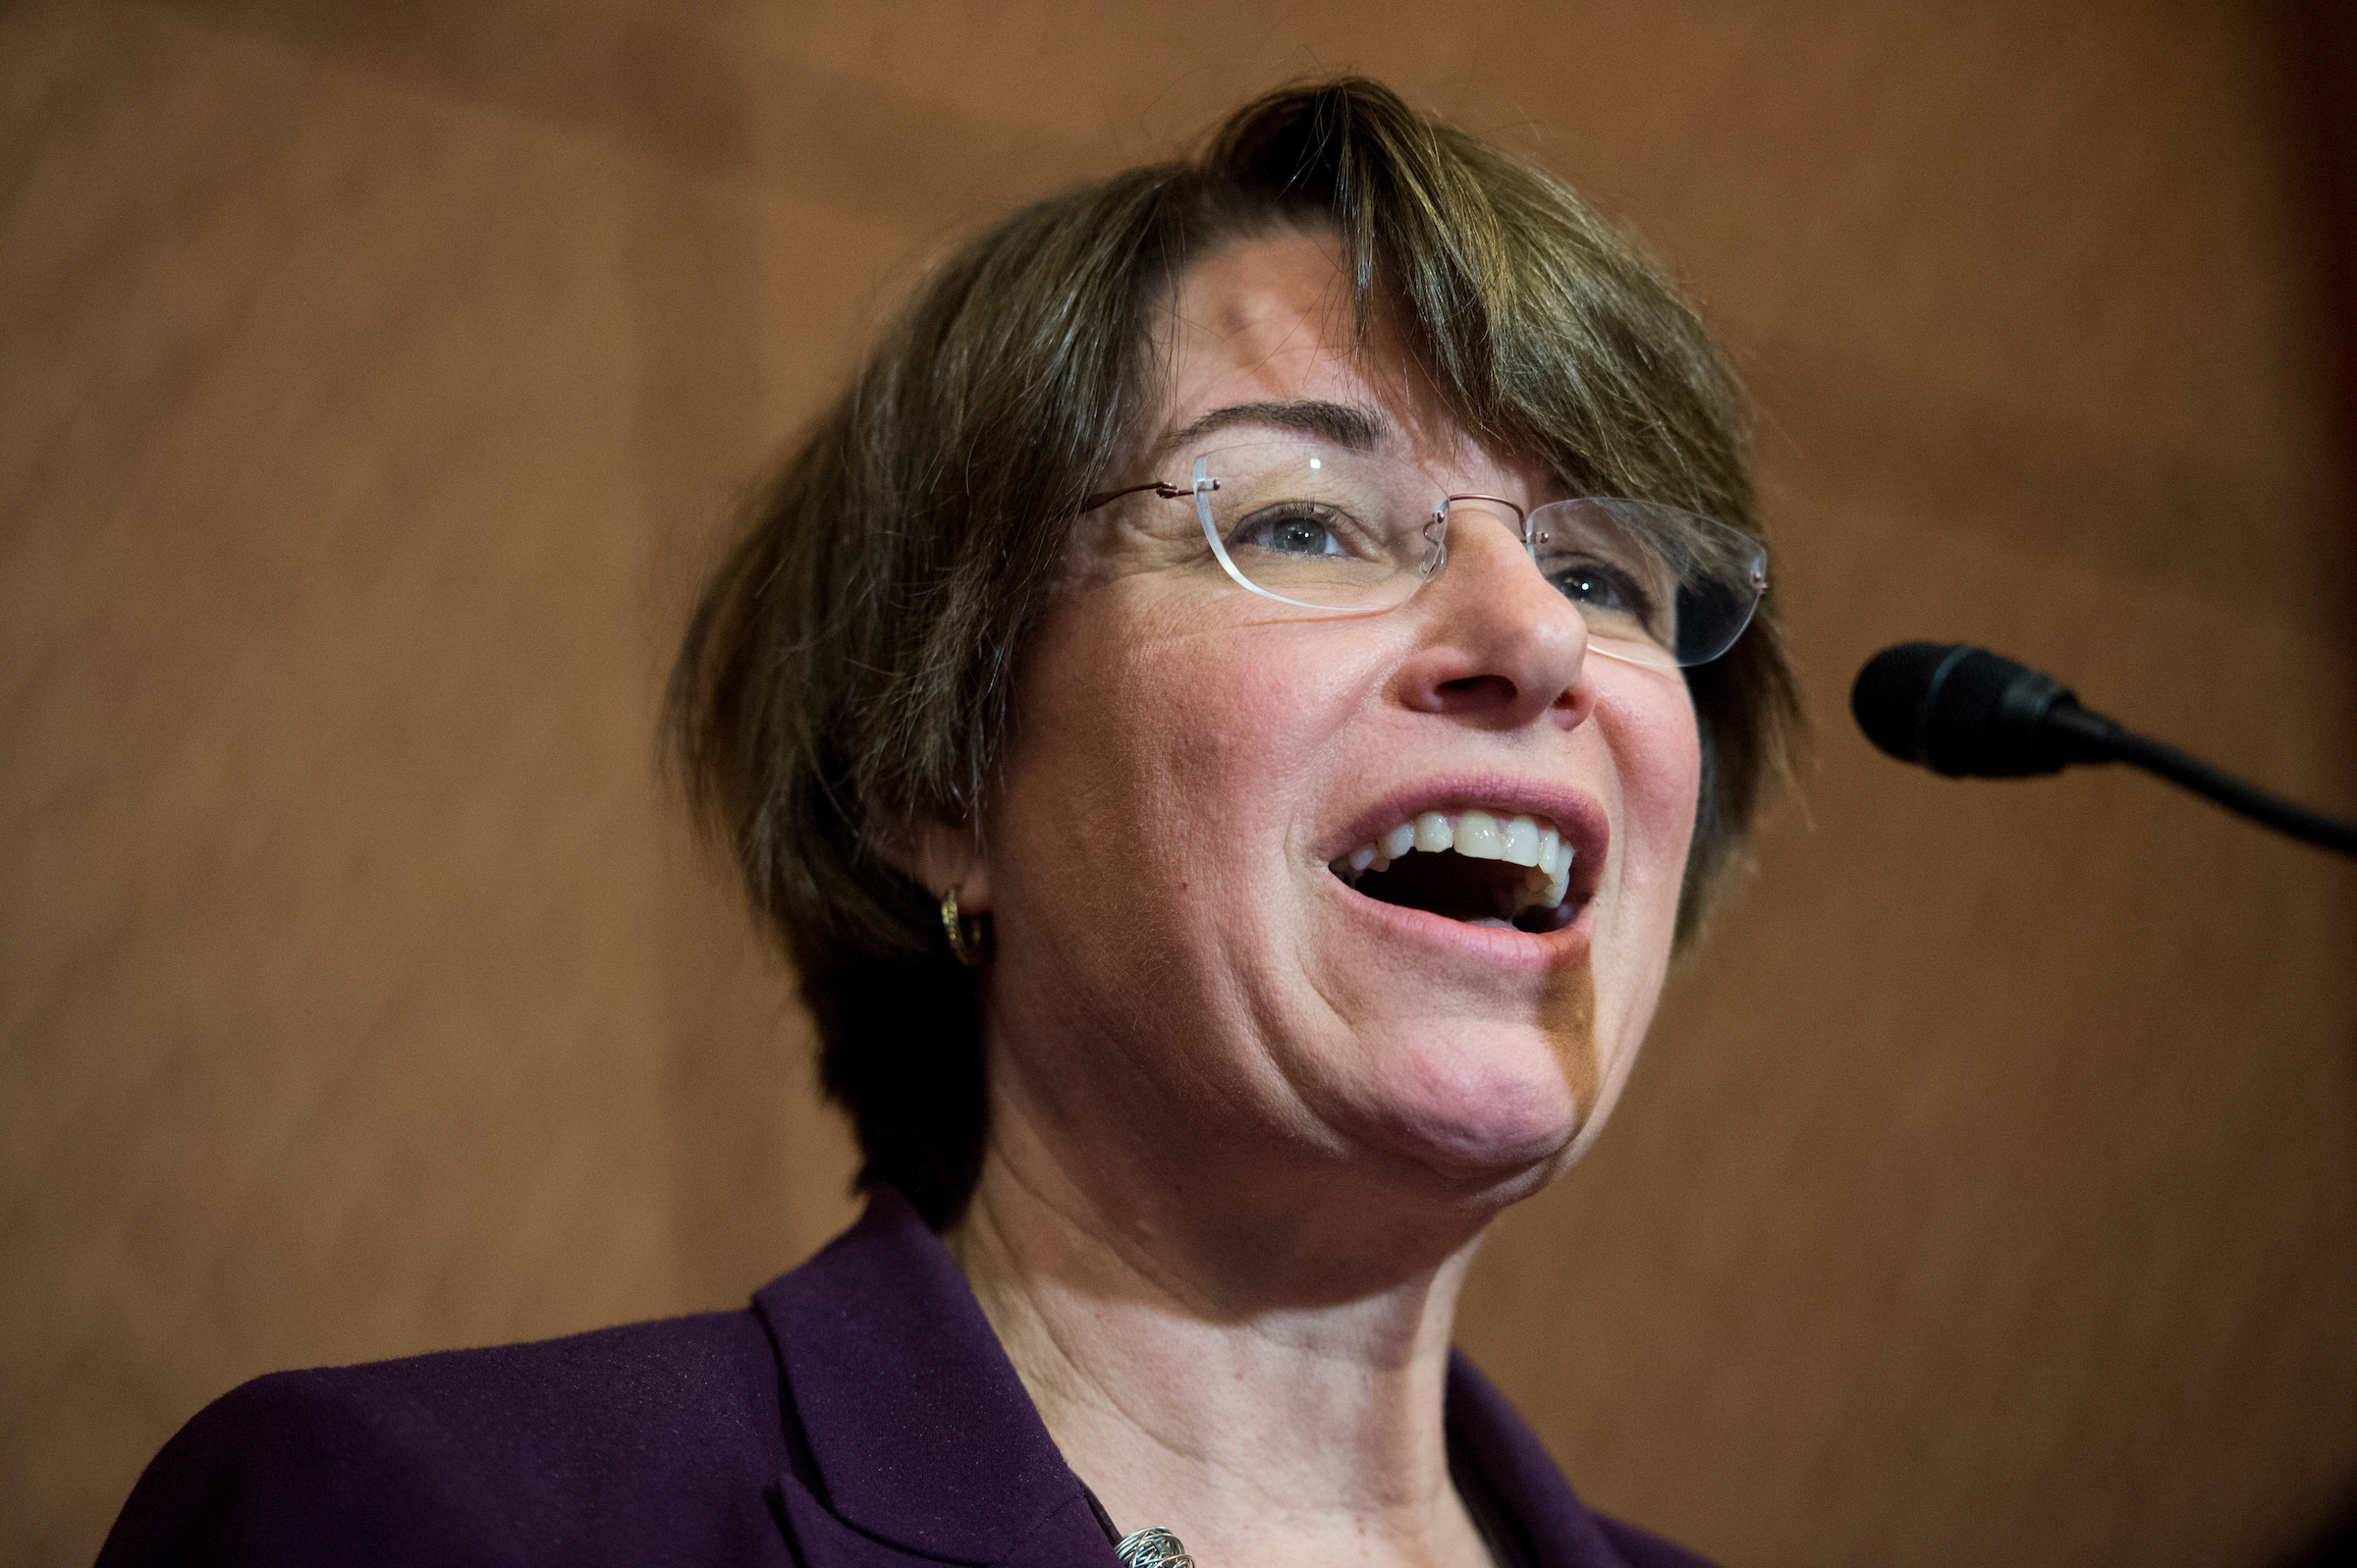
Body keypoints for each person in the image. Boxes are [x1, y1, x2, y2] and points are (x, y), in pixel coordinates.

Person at [98, 77, 1797, 1568]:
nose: (1540, 636)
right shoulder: (431, 1522)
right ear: (940, 780)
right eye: (1306, 523)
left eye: (1600, 570)